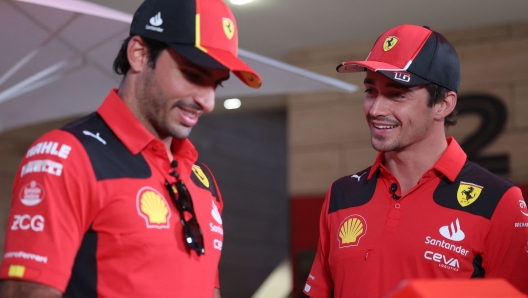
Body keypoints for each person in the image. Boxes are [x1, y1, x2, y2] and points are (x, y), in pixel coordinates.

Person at [0, 0, 261, 297]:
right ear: (139, 54)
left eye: (217, 85)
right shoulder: (65, 155)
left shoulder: (203, 182)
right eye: (193, 75)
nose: (207, 102)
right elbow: (25, 291)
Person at [303, 24, 528, 297]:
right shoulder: (341, 194)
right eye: (371, 91)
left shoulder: (499, 202)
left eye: (397, 94)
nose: (376, 109)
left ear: (444, 104)